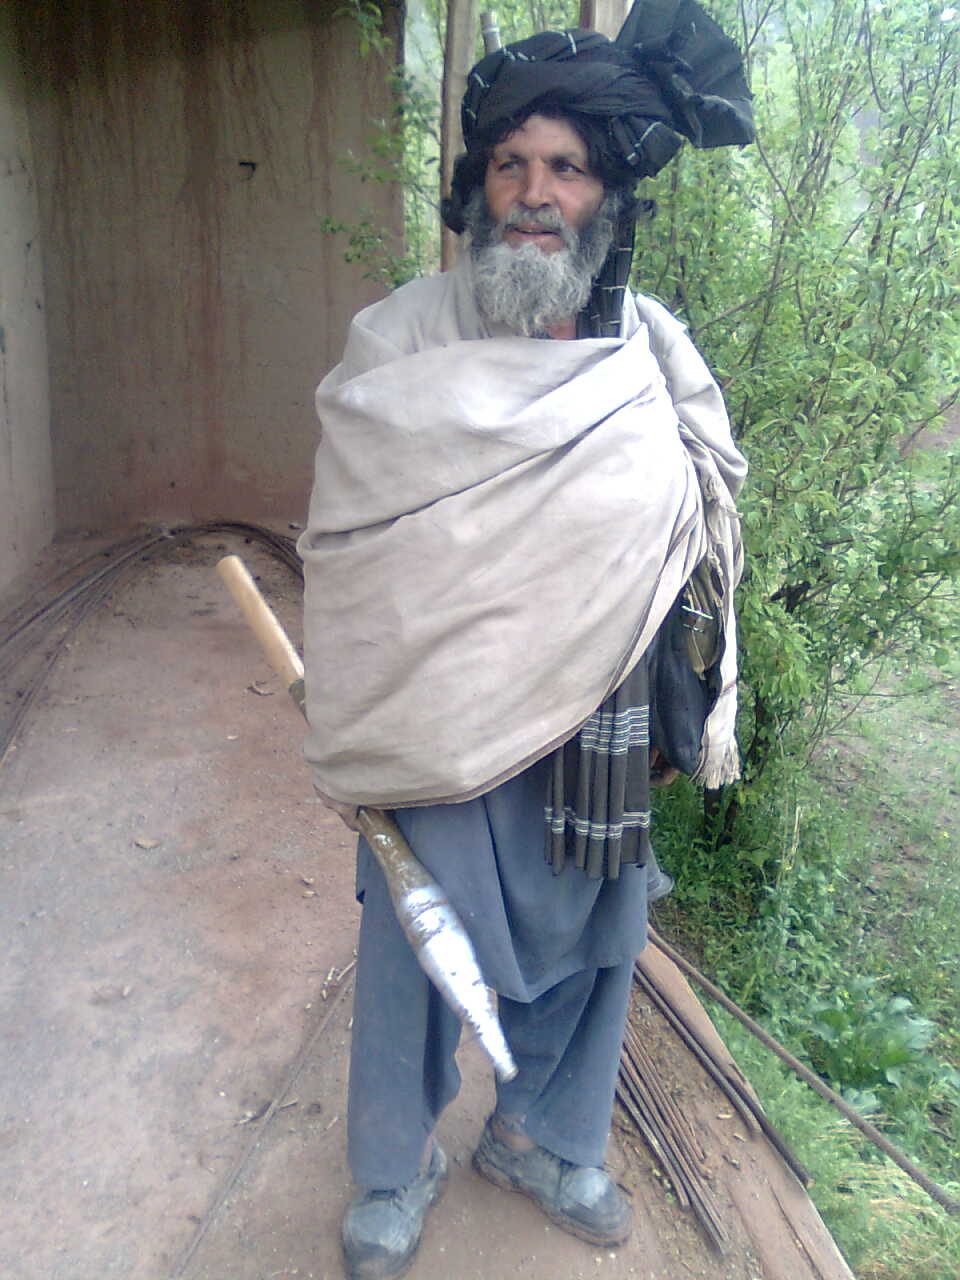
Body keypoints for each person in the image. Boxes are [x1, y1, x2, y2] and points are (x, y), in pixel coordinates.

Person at [298, 5, 753, 1276]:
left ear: (606, 193)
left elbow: (703, 509)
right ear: (478, 184)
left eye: (565, 167)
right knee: (411, 936)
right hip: (433, 714)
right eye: (511, 164)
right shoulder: (399, 339)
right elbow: (352, 549)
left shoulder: (650, 352)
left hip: (597, 711)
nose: (535, 194)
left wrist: (682, 687)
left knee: (597, 936)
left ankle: (541, 1137)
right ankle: (393, 1162)